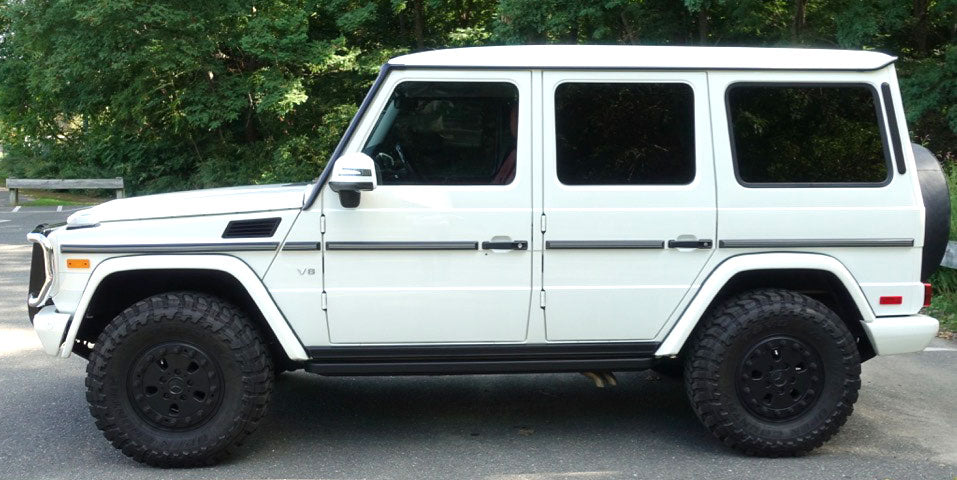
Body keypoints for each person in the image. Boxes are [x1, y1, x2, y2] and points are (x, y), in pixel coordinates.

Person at [492, 105, 518, 184]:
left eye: (516, 117)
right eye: (512, 119)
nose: (512, 123)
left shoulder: (521, 154)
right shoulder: (512, 151)